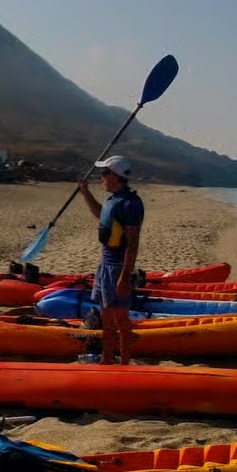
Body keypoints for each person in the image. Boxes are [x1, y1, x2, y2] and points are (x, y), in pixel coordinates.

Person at [77, 155, 143, 364]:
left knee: (121, 320)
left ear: (115, 176)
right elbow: (102, 215)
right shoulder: (112, 199)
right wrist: (85, 192)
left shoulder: (130, 203)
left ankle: (124, 364)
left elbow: (132, 244)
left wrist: (124, 277)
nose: (101, 177)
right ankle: (107, 359)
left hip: (117, 268)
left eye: (104, 173)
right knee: (106, 320)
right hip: (104, 266)